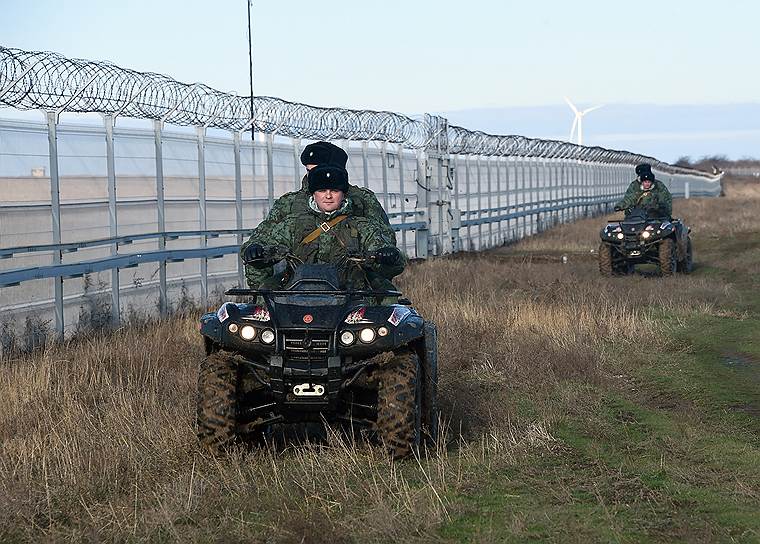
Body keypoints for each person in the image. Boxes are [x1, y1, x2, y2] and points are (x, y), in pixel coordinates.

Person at [241, 141, 397, 288]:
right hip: (297, 283)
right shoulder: (290, 203)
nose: (312, 176)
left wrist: (383, 256)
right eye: (309, 171)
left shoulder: (362, 200)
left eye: (316, 170)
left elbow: (383, 238)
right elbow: (265, 235)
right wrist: (254, 249)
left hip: (352, 282)